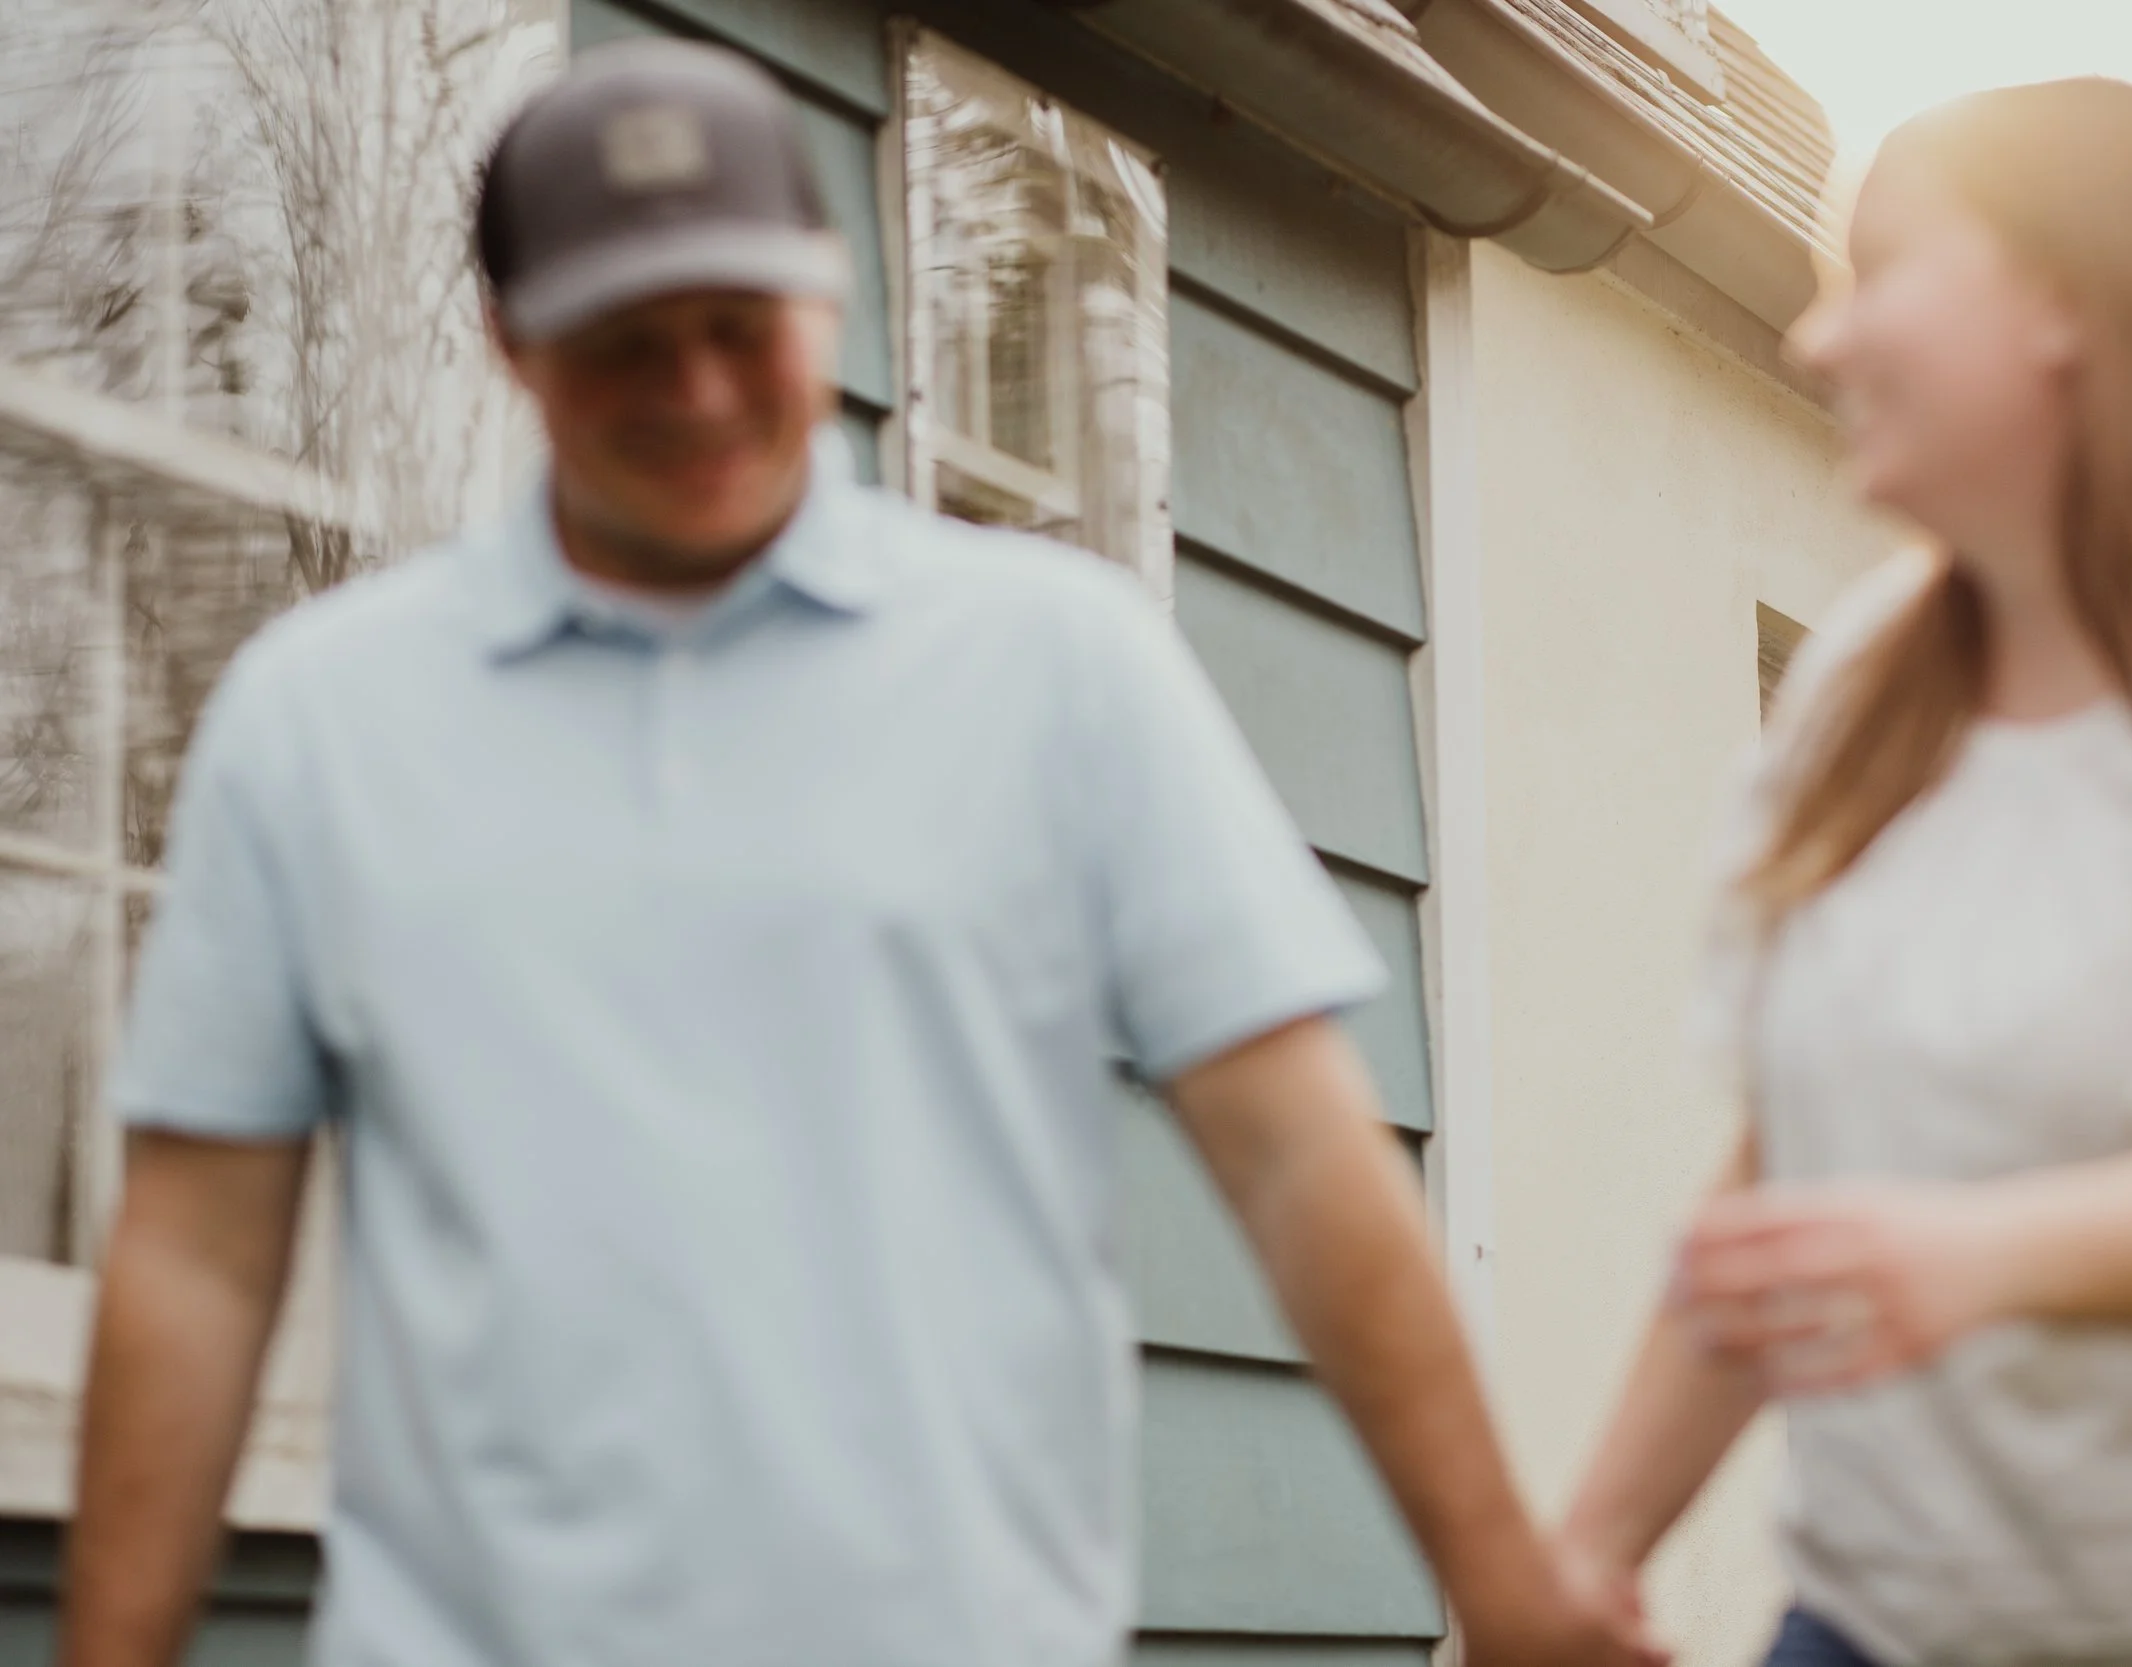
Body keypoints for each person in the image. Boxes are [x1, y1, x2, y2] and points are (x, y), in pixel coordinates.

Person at [59, 39, 1657, 1667]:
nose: (693, 390)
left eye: (737, 327)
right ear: (509, 345)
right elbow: (195, 1247)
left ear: (830, 297)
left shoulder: (1057, 666)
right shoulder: (323, 718)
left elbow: (1303, 1156)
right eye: (625, 341)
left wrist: (1505, 1578)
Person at [1555, 77, 2132, 1667]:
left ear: (2070, 300)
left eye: (1880, 279)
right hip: (1887, 1619)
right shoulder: (1857, 693)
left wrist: (1967, 1254)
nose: (1819, 343)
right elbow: (1787, 1169)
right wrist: (1588, 1547)